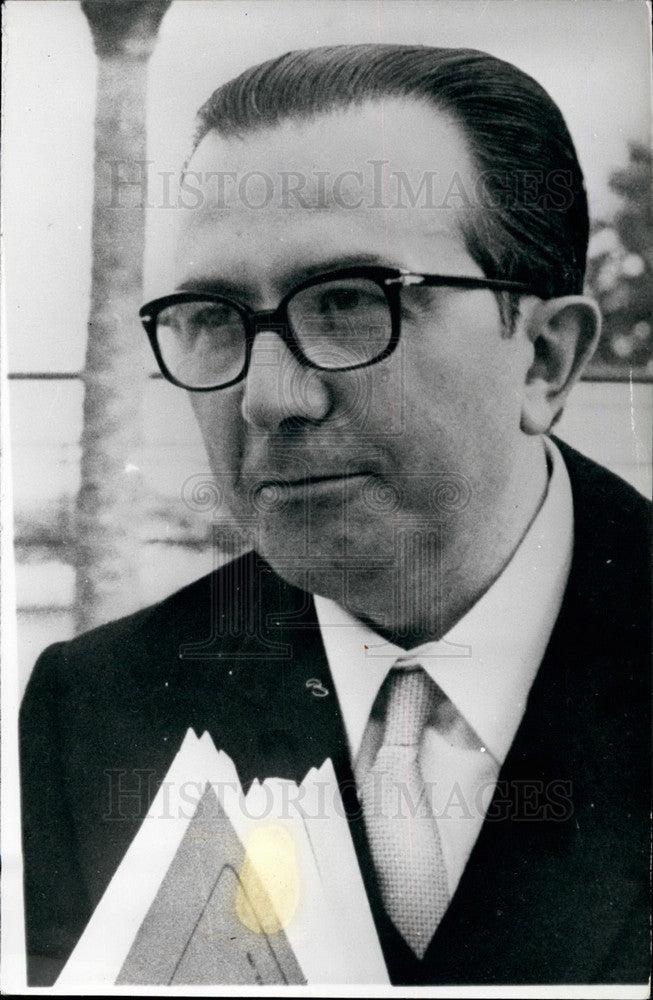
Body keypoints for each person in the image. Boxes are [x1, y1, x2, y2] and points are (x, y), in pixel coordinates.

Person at [20, 44, 650, 987]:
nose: (270, 399)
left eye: (352, 302)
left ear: (545, 360)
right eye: (213, 316)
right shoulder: (98, 710)